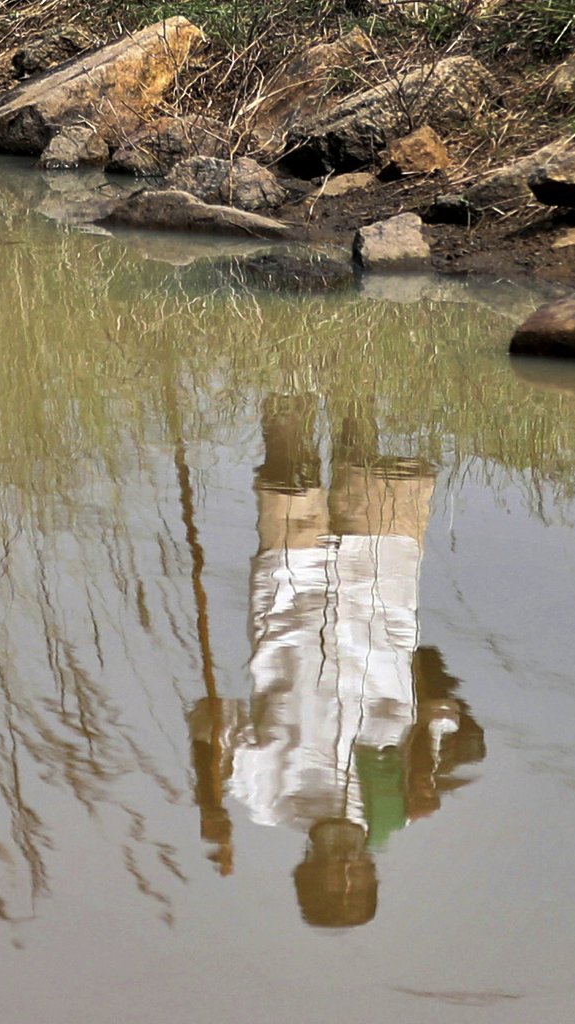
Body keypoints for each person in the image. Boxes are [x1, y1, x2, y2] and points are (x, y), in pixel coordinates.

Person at [188, 397, 483, 927]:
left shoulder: (264, 795)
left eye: (333, 871)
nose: (346, 861)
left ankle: (286, 356)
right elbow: (441, 709)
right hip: (381, 588)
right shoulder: (398, 805)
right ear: (372, 867)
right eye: (358, 870)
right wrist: (422, 769)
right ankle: (358, 359)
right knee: (366, 448)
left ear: (304, 866)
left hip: (289, 594)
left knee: (290, 459)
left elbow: (208, 716)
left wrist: (207, 793)